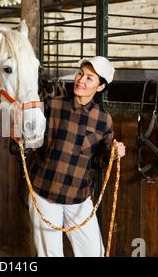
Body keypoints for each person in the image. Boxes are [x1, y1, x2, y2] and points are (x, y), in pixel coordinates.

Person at [29, 56, 126, 257]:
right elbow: (30, 145)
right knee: (50, 255)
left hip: (79, 198)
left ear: (100, 87)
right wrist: (19, 139)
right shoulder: (52, 106)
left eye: (90, 78)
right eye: (80, 73)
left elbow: (98, 162)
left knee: (94, 253)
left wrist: (112, 155)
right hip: (44, 192)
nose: (81, 80)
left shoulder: (103, 120)